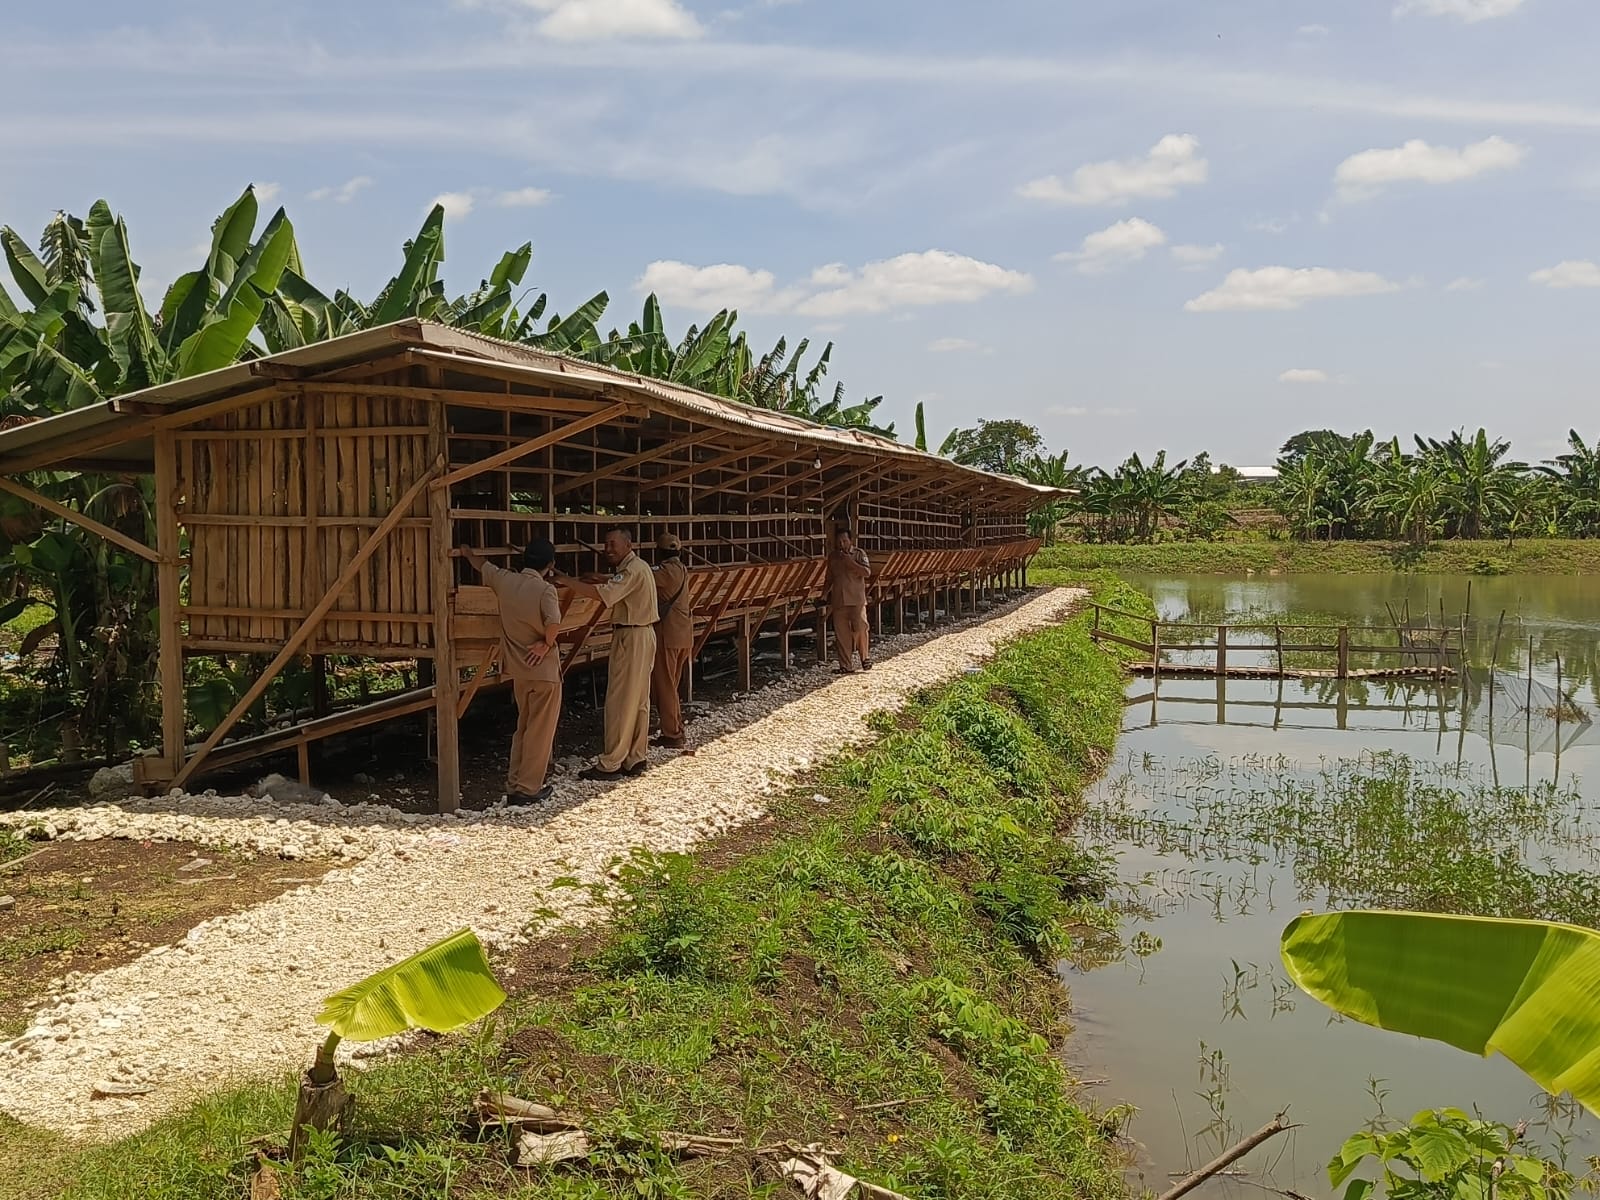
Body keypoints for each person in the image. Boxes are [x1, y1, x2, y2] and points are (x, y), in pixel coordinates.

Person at [461, 538, 563, 804]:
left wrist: (465, 550)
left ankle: (514, 783)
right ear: (550, 565)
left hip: (518, 670)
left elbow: (481, 564)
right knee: (540, 731)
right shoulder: (545, 590)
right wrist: (545, 644)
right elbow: (553, 624)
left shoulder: (504, 581)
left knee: (524, 726)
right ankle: (529, 788)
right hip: (544, 671)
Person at [554, 528, 658, 780]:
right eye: (605, 545)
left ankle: (611, 763)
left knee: (620, 700)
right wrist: (601, 578)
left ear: (627, 545)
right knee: (639, 699)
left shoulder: (631, 570)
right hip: (643, 634)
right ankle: (635, 756)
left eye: (613, 544)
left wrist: (565, 580)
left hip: (631, 636)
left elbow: (604, 595)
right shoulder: (637, 568)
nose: (608, 549)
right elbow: (617, 585)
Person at [650, 532, 693, 749]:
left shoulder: (663, 572)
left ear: (659, 552)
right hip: (684, 634)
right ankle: (675, 728)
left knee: (665, 686)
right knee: (672, 685)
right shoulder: (682, 570)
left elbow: (638, 578)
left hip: (668, 636)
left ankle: (672, 733)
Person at [826, 528, 873, 673]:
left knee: (860, 628)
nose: (842, 544)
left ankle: (865, 658)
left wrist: (850, 562)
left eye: (844, 541)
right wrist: (822, 596)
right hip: (839, 600)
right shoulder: (833, 557)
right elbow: (829, 578)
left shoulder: (859, 554)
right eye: (839, 541)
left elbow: (867, 572)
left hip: (856, 599)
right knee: (842, 634)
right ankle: (845, 666)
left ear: (850, 541)